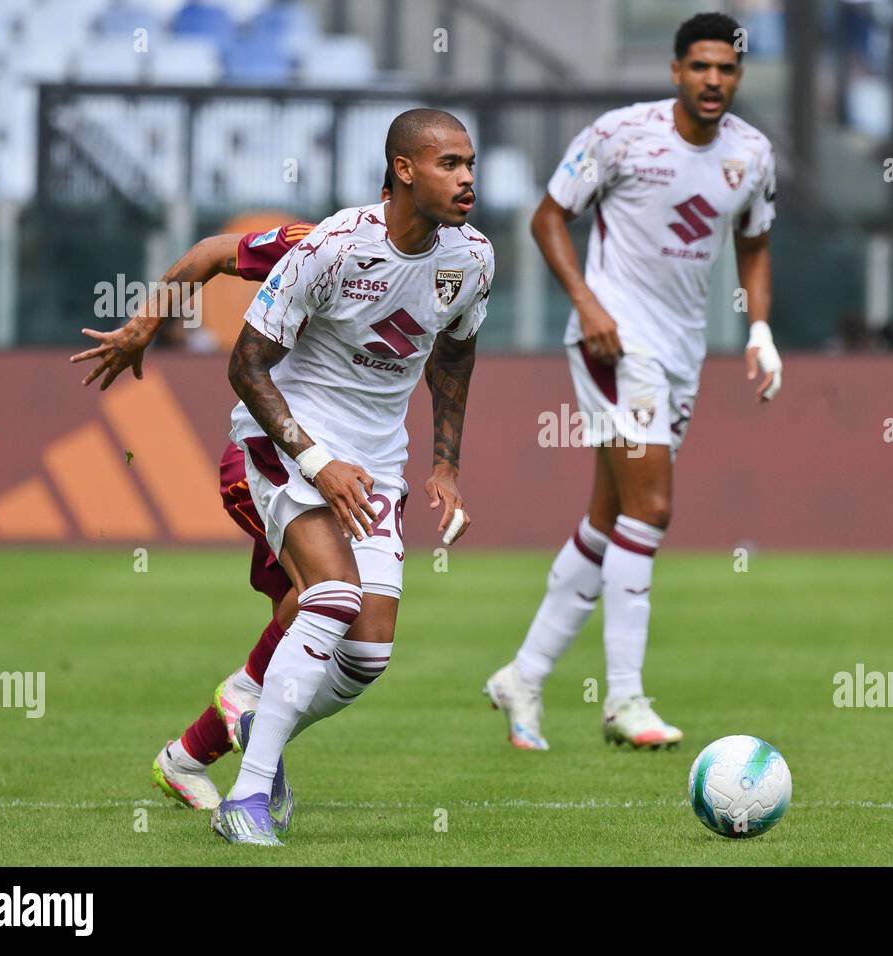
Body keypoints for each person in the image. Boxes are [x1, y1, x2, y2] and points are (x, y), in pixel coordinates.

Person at [484, 12, 782, 751]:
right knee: (651, 507)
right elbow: (548, 217)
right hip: (614, 343)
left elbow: (755, 243)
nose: (714, 80)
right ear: (676, 71)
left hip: (682, 353)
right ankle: (625, 700)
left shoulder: (751, 153)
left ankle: (523, 675)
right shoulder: (621, 134)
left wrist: (760, 331)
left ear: (737, 78)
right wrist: (586, 305)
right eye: (701, 66)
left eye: (728, 69)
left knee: (608, 518)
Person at [70, 175, 393, 810]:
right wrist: (144, 326)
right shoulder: (321, 244)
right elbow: (211, 253)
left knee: (323, 611)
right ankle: (249, 708)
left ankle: (186, 757)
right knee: (326, 596)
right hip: (273, 455)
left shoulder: (442, 263)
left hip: (346, 459)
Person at [214, 108, 492, 844]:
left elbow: (455, 356)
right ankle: (242, 802)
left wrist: (445, 465)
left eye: (470, 164)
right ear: (405, 169)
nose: (467, 178)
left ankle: (260, 733)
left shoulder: (472, 261)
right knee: (332, 594)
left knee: (368, 653)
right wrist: (316, 460)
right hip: (287, 440)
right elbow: (246, 365)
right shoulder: (332, 247)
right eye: (449, 165)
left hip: (375, 466)